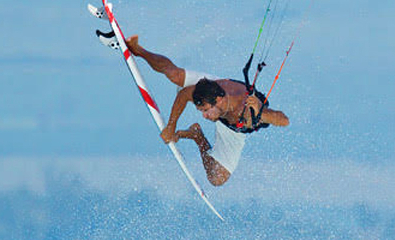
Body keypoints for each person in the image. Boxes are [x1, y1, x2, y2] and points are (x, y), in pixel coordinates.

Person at [124, 35, 290, 187]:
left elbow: (284, 120)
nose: (204, 115)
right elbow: (183, 95)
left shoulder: (245, 110)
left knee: (216, 179)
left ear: (217, 101)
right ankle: (138, 50)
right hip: (217, 94)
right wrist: (171, 127)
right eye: (201, 110)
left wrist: (261, 110)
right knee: (175, 75)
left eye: (205, 111)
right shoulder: (208, 90)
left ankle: (197, 136)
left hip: (235, 126)